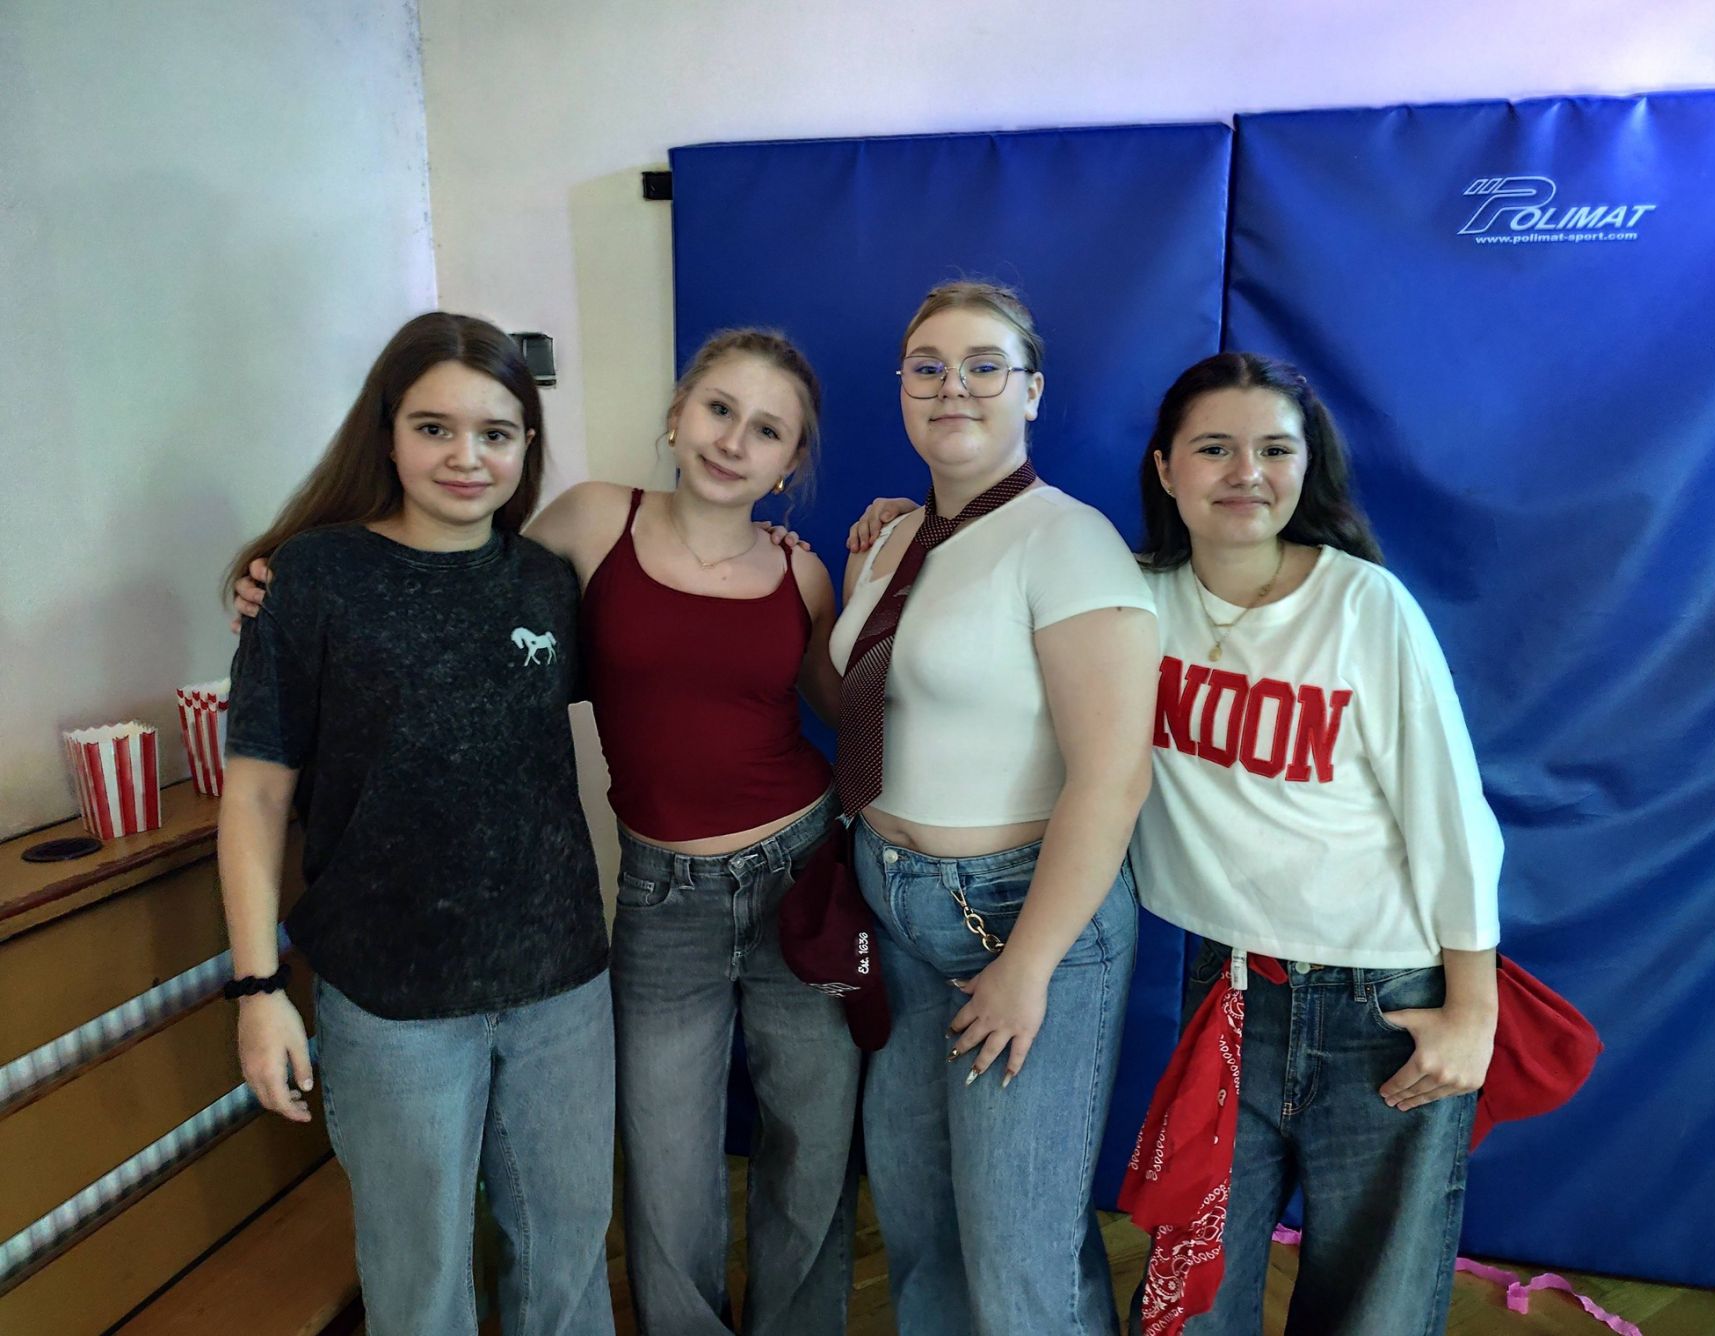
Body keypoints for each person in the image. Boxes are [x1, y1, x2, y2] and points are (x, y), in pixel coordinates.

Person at [234, 328, 858, 1336]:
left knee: (790, 1157)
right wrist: (277, 584)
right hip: (623, 910)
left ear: (791, 461)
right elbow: (439, 577)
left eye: (767, 429)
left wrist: (895, 578)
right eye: (718, 409)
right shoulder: (585, 525)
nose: (734, 440)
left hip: (764, 887)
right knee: (648, 1174)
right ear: (676, 414)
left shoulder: (785, 573)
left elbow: (841, 706)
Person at [220, 311, 616, 1335]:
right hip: (393, 1002)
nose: (466, 457)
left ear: (527, 445)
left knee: (568, 1266)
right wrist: (258, 988)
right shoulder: (311, 579)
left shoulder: (546, 581)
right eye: (434, 428)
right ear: (387, 433)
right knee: (420, 1282)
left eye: (496, 432)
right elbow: (256, 794)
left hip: (561, 987)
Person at [1129, 352, 1502, 1334]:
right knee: (1193, 1291)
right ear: (1166, 466)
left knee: (1374, 1308)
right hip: (1230, 984)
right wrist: (909, 526)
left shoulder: (1366, 606)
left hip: (1385, 1000)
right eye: (1215, 448)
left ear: (1308, 466)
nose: (1246, 472)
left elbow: (1451, 815)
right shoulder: (1129, 598)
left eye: (1274, 449)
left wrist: (1473, 1009)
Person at [831, 280, 1159, 1334]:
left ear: (1032, 392)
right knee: (920, 1220)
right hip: (894, 906)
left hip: (1020, 917)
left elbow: (1114, 776)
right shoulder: (894, 537)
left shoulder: (1069, 542)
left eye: (984, 366)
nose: (953, 387)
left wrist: (1028, 967)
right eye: (927, 367)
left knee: (1019, 1249)